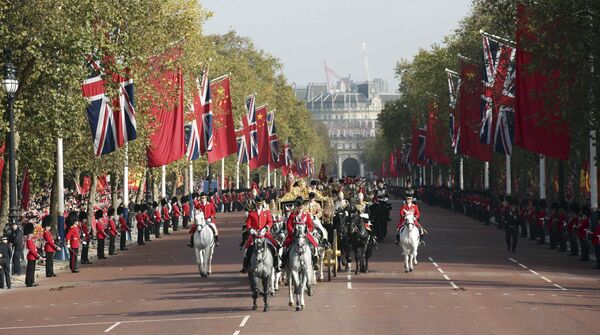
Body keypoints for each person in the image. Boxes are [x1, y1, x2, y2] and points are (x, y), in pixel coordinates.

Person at [240, 196, 278, 273]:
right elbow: (248, 223)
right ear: (255, 203)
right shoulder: (252, 213)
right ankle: (245, 267)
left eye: (260, 204)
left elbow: (270, 222)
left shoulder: (266, 212)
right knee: (246, 250)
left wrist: (266, 228)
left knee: (274, 247)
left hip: (265, 234)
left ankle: (276, 266)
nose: (259, 206)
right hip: (255, 235)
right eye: (257, 204)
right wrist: (251, 230)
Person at [283, 197, 319, 270]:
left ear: (303, 207)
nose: (300, 209)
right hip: (294, 235)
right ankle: (284, 263)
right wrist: (292, 231)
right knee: (285, 246)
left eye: (301, 208)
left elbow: (310, 225)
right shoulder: (292, 215)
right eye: (298, 208)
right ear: (296, 207)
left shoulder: (306, 215)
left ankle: (314, 262)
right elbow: (289, 224)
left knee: (314, 245)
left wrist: (308, 230)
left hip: (305, 234)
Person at [24, 223, 44, 287]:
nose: (31, 234)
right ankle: (30, 282)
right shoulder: (29, 240)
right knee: (31, 270)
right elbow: (32, 250)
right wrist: (38, 256)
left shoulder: (31, 240)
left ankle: (29, 281)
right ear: (28, 234)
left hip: (33, 256)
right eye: (30, 234)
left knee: (30, 270)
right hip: (32, 257)